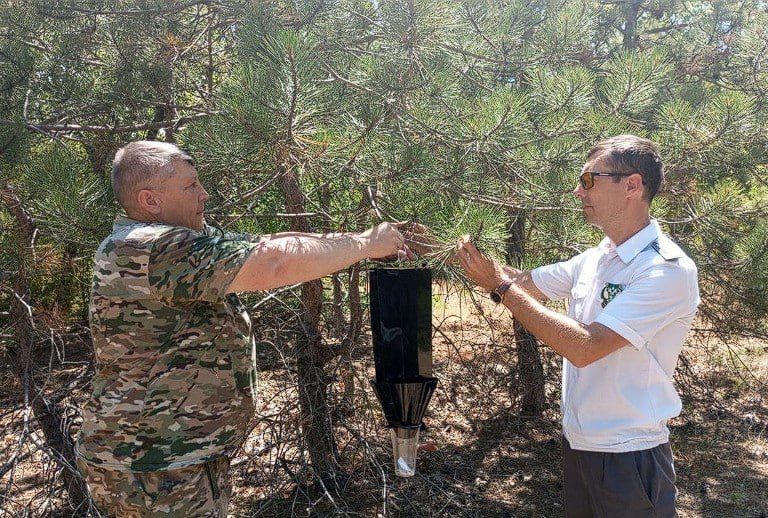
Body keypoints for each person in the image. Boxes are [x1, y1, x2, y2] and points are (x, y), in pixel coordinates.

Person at [75, 140, 414, 517]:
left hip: (178, 453)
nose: (204, 195)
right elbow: (273, 264)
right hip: (148, 462)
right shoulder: (147, 248)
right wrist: (365, 244)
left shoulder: (187, 240)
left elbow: (268, 245)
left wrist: (366, 242)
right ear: (150, 201)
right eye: (190, 187)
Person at [457, 135, 700, 517]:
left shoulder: (665, 269)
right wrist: (439, 247)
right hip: (581, 445)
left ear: (632, 186)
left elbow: (586, 347)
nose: (577, 190)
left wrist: (499, 287)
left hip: (630, 454)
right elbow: (522, 281)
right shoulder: (597, 258)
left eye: (589, 180)